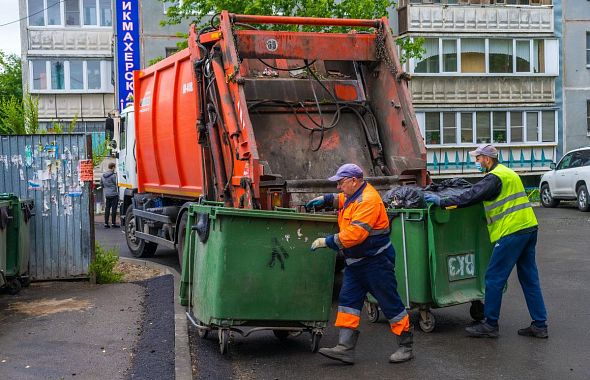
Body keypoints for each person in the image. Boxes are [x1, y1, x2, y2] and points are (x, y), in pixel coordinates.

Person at [424, 144, 548, 339]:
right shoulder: (509, 173)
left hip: (512, 231)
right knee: (529, 278)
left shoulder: (494, 178)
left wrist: (442, 202)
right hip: (529, 228)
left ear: (487, 159)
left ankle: (490, 324)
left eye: (478, 158)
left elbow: (470, 196)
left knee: (493, 277)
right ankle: (540, 324)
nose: (477, 162)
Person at [307, 163, 414, 364]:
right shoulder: (356, 194)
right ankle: (345, 348)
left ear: (354, 181)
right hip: (357, 263)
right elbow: (345, 201)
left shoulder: (369, 201)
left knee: (390, 303)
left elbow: (356, 234)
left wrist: (326, 241)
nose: (339, 187)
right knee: (348, 302)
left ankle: (406, 346)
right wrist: (326, 200)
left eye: (341, 183)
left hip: (376, 262)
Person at [101, 162, 120, 228]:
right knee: (114, 209)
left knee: (107, 209)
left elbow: (102, 185)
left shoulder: (103, 176)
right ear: (113, 167)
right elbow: (116, 184)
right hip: (114, 194)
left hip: (107, 194)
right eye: (114, 167)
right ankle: (113, 224)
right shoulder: (114, 176)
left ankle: (106, 224)